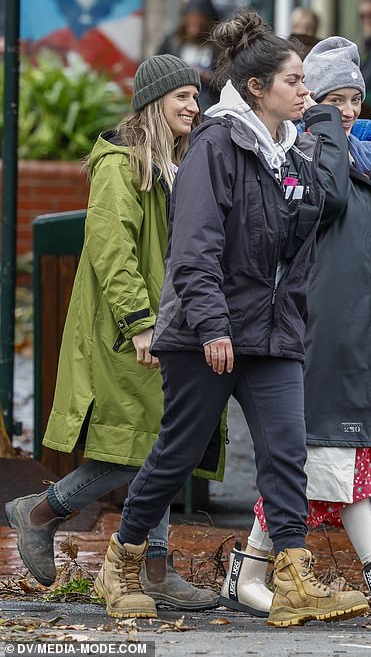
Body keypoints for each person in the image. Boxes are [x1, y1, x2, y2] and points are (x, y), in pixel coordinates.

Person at [93, 10, 370, 627]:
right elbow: (193, 250)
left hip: (272, 332)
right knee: (177, 451)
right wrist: (214, 326)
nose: (307, 92)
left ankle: (294, 577)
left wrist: (324, 128)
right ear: (257, 89)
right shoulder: (216, 146)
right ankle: (122, 559)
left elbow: (314, 224)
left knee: (284, 453)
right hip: (207, 334)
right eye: (296, 82)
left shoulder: (290, 150)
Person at [218, 36, 371, 626]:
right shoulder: (301, 151)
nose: (346, 110)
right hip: (314, 329)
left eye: (353, 99)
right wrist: (369, 210)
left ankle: (251, 570)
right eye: (331, 98)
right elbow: (331, 200)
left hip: (362, 333)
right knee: (330, 450)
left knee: (319, 454)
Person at [5, 55, 219, 611]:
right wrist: (141, 324)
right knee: (134, 449)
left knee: (162, 442)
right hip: (127, 331)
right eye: (182, 98)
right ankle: (43, 510)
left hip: (163, 327)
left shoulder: (172, 162)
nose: (194, 107)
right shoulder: (121, 163)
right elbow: (111, 249)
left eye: (197, 98)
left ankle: (154, 565)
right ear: (154, 103)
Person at [158, 0, 221, 110]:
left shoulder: (218, 47)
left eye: (199, 24)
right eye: (192, 24)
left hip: (208, 104)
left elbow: (226, 81)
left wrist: (208, 77)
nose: (195, 30)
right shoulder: (173, 43)